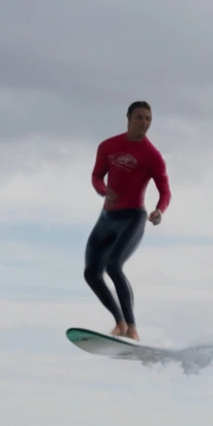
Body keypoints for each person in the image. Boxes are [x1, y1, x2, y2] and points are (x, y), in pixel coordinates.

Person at [84, 101, 171, 341]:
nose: (144, 123)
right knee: (91, 273)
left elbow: (165, 191)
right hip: (107, 218)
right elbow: (96, 175)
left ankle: (132, 329)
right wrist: (103, 190)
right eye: (140, 117)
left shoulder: (152, 156)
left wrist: (159, 211)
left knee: (113, 266)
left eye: (148, 118)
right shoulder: (108, 146)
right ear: (129, 118)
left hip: (133, 217)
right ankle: (120, 323)